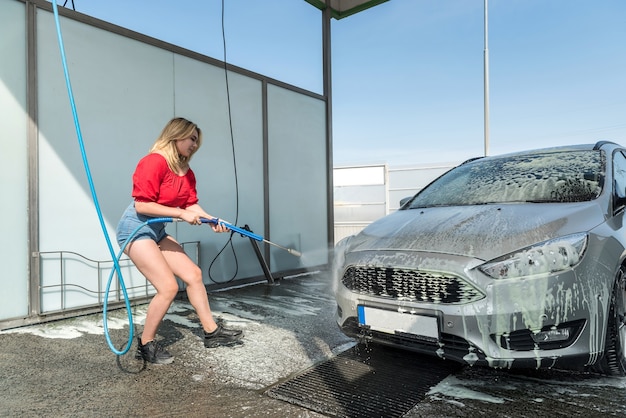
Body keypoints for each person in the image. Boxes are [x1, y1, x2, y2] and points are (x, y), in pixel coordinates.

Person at [116, 117, 242, 365]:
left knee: (193, 275)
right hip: (136, 228)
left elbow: (189, 204)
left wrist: (211, 219)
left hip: (157, 231)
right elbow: (142, 204)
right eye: (192, 139)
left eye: (197, 141)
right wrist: (181, 214)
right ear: (176, 135)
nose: (195, 145)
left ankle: (211, 332)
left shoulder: (185, 171)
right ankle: (145, 344)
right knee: (168, 287)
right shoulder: (154, 162)